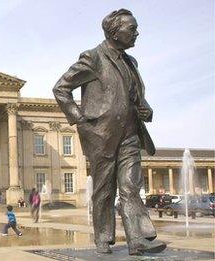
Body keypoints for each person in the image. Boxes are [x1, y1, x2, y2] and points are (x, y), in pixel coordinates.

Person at [52, 9, 165, 255]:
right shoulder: (93, 57)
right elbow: (61, 88)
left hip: (131, 134)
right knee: (104, 189)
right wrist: (80, 119)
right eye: (131, 29)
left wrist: (146, 110)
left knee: (130, 186)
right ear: (115, 32)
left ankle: (138, 240)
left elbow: (136, 98)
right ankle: (103, 238)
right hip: (101, 134)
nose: (137, 33)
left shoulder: (131, 62)